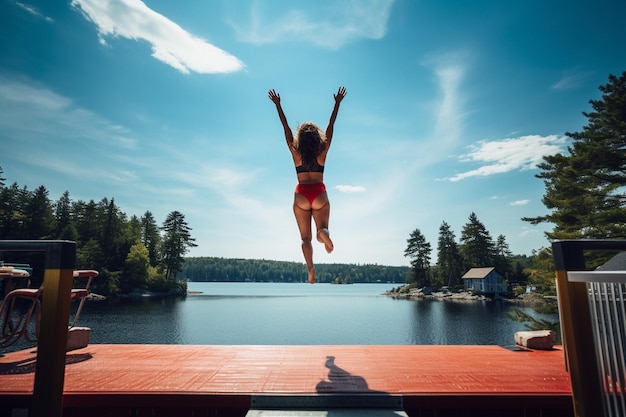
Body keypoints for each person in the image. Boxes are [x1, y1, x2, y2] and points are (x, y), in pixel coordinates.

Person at [268, 86, 347, 284]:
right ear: (317, 138)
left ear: (300, 139)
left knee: (305, 239)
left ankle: (310, 268)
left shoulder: (296, 153)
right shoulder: (323, 151)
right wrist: (337, 104)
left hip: (301, 193)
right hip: (319, 192)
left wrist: (278, 105)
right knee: (322, 229)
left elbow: (285, 129)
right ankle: (324, 234)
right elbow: (330, 127)